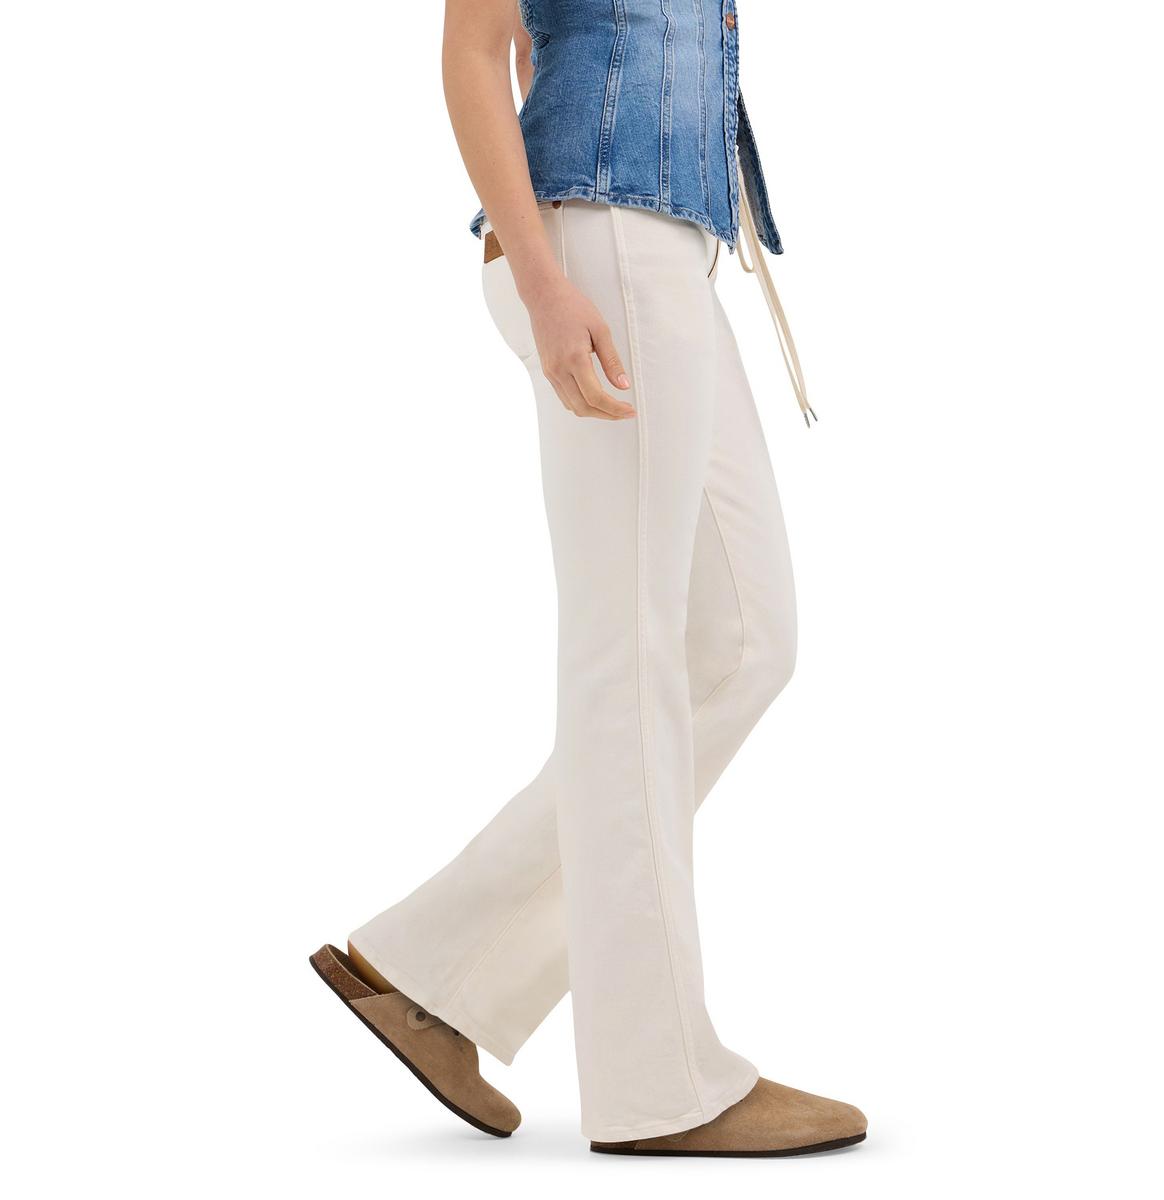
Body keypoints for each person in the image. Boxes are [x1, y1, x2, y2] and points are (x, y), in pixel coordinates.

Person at [311, 0, 867, 1157]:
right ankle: (662, 1085)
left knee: (744, 644)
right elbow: (474, 48)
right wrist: (546, 277)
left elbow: (543, 41)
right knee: (630, 658)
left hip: (664, 250)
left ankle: (433, 970)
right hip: (600, 245)